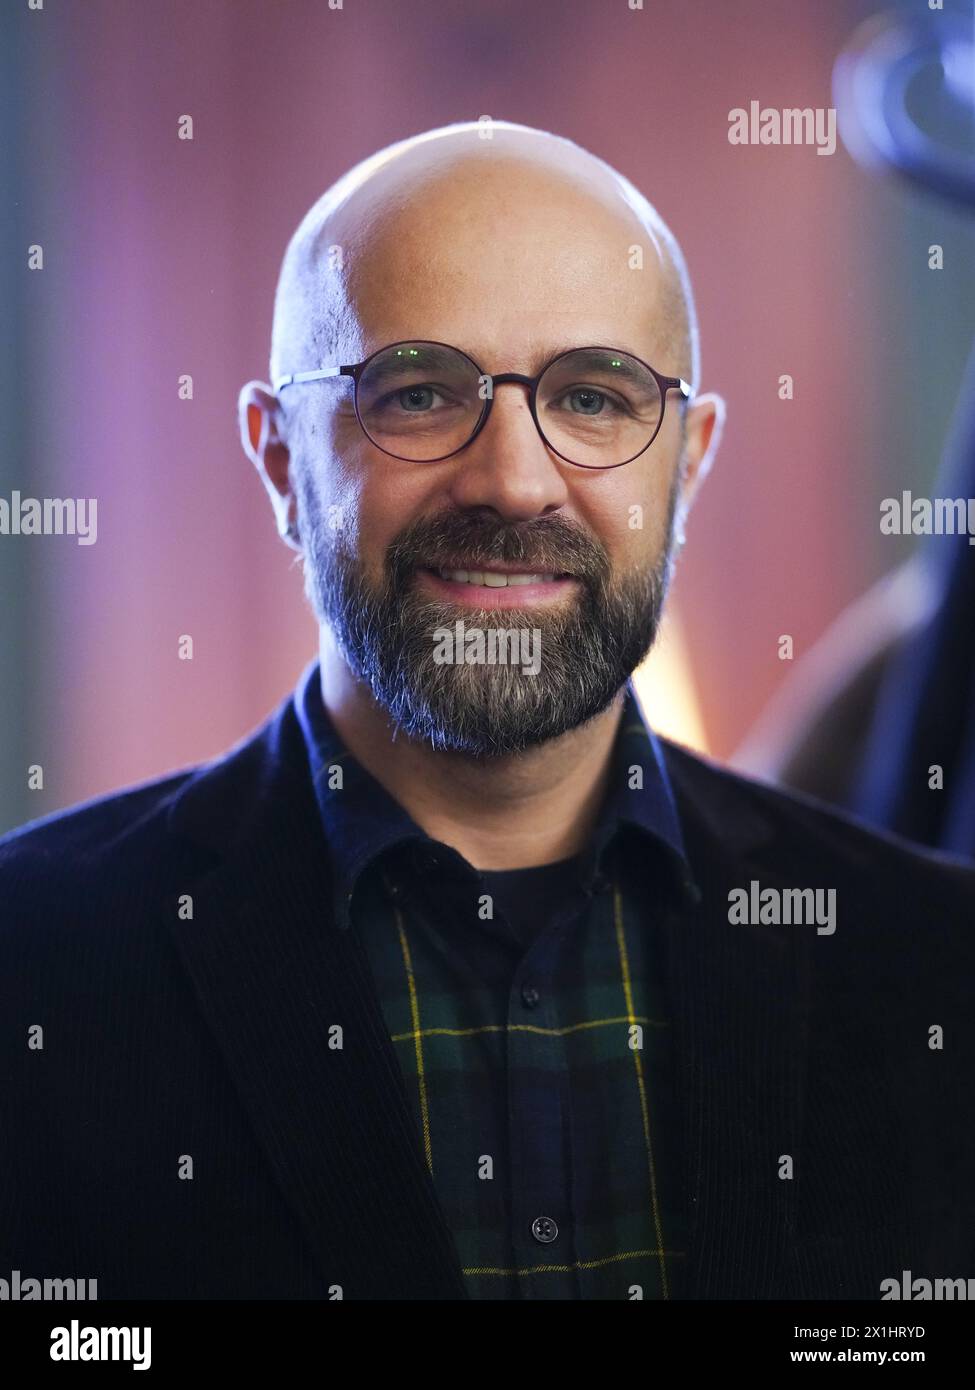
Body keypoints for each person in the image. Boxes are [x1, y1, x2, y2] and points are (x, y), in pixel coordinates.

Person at [1, 120, 973, 1302]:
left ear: (690, 463)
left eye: (596, 398)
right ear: (277, 459)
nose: (514, 481)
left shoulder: (935, 966)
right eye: (417, 392)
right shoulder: (35, 965)